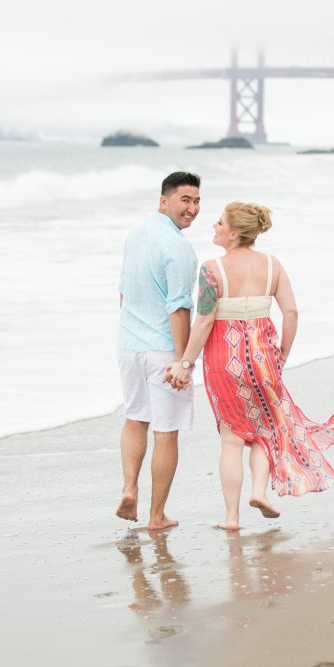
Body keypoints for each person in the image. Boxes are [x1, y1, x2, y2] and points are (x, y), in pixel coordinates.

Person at [165, 202, 334, 531]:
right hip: (263, 357)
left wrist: (185, 363)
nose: (213, 227)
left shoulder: (212, 269)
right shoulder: (273, 266)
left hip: (223, 360)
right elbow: (291, 313)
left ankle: (231, 518)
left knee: (231, 439)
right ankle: (260, 492)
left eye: (219, 223)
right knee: (264, 430)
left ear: (233, 233)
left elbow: (203, 322)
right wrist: (283, 354)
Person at [115, 171, 200, 529]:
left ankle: (130, 489)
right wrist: (184, 359)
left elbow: (123, 292)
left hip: (128, 345)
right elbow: (179, 308)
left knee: (135, 419)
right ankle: (156, 515)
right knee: (167, 431)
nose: (192, 209)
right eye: (185, 200)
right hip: (163, 351)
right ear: (163, 201)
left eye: (197, 201)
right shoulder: (179, 248)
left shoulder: (136, 235)